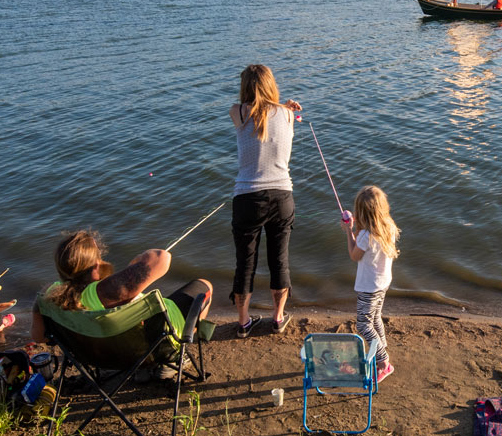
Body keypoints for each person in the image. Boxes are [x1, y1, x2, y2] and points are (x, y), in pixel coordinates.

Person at [31, 230, 212, 371]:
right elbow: (162, 257)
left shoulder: (49, 296)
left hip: (102, 357)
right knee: (204, 286)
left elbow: (39, 336)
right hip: (155, 350)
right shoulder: (108, 290)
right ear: (96, 265)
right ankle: (176, 357)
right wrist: (140, 258)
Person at [229, 64, 302, 337]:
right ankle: (278, 317)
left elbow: (256, 113)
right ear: (271, 84)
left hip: (247, 198)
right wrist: (284, 105)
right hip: (282, 196)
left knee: (245, 264)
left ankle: (244, 322)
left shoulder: (237, 112)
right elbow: (273, 113)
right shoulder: (287, 114)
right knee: (279, 261)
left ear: (245, 87)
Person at [340, 185, 400, 384]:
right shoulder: (388, 226)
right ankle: (380, 350)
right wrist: (357, 229)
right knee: (375, 319)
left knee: (363, 324)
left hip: (369, 287)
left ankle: (384, 362)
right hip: (383, 283)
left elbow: (354, 255)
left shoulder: (365, 236)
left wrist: (349, 232)